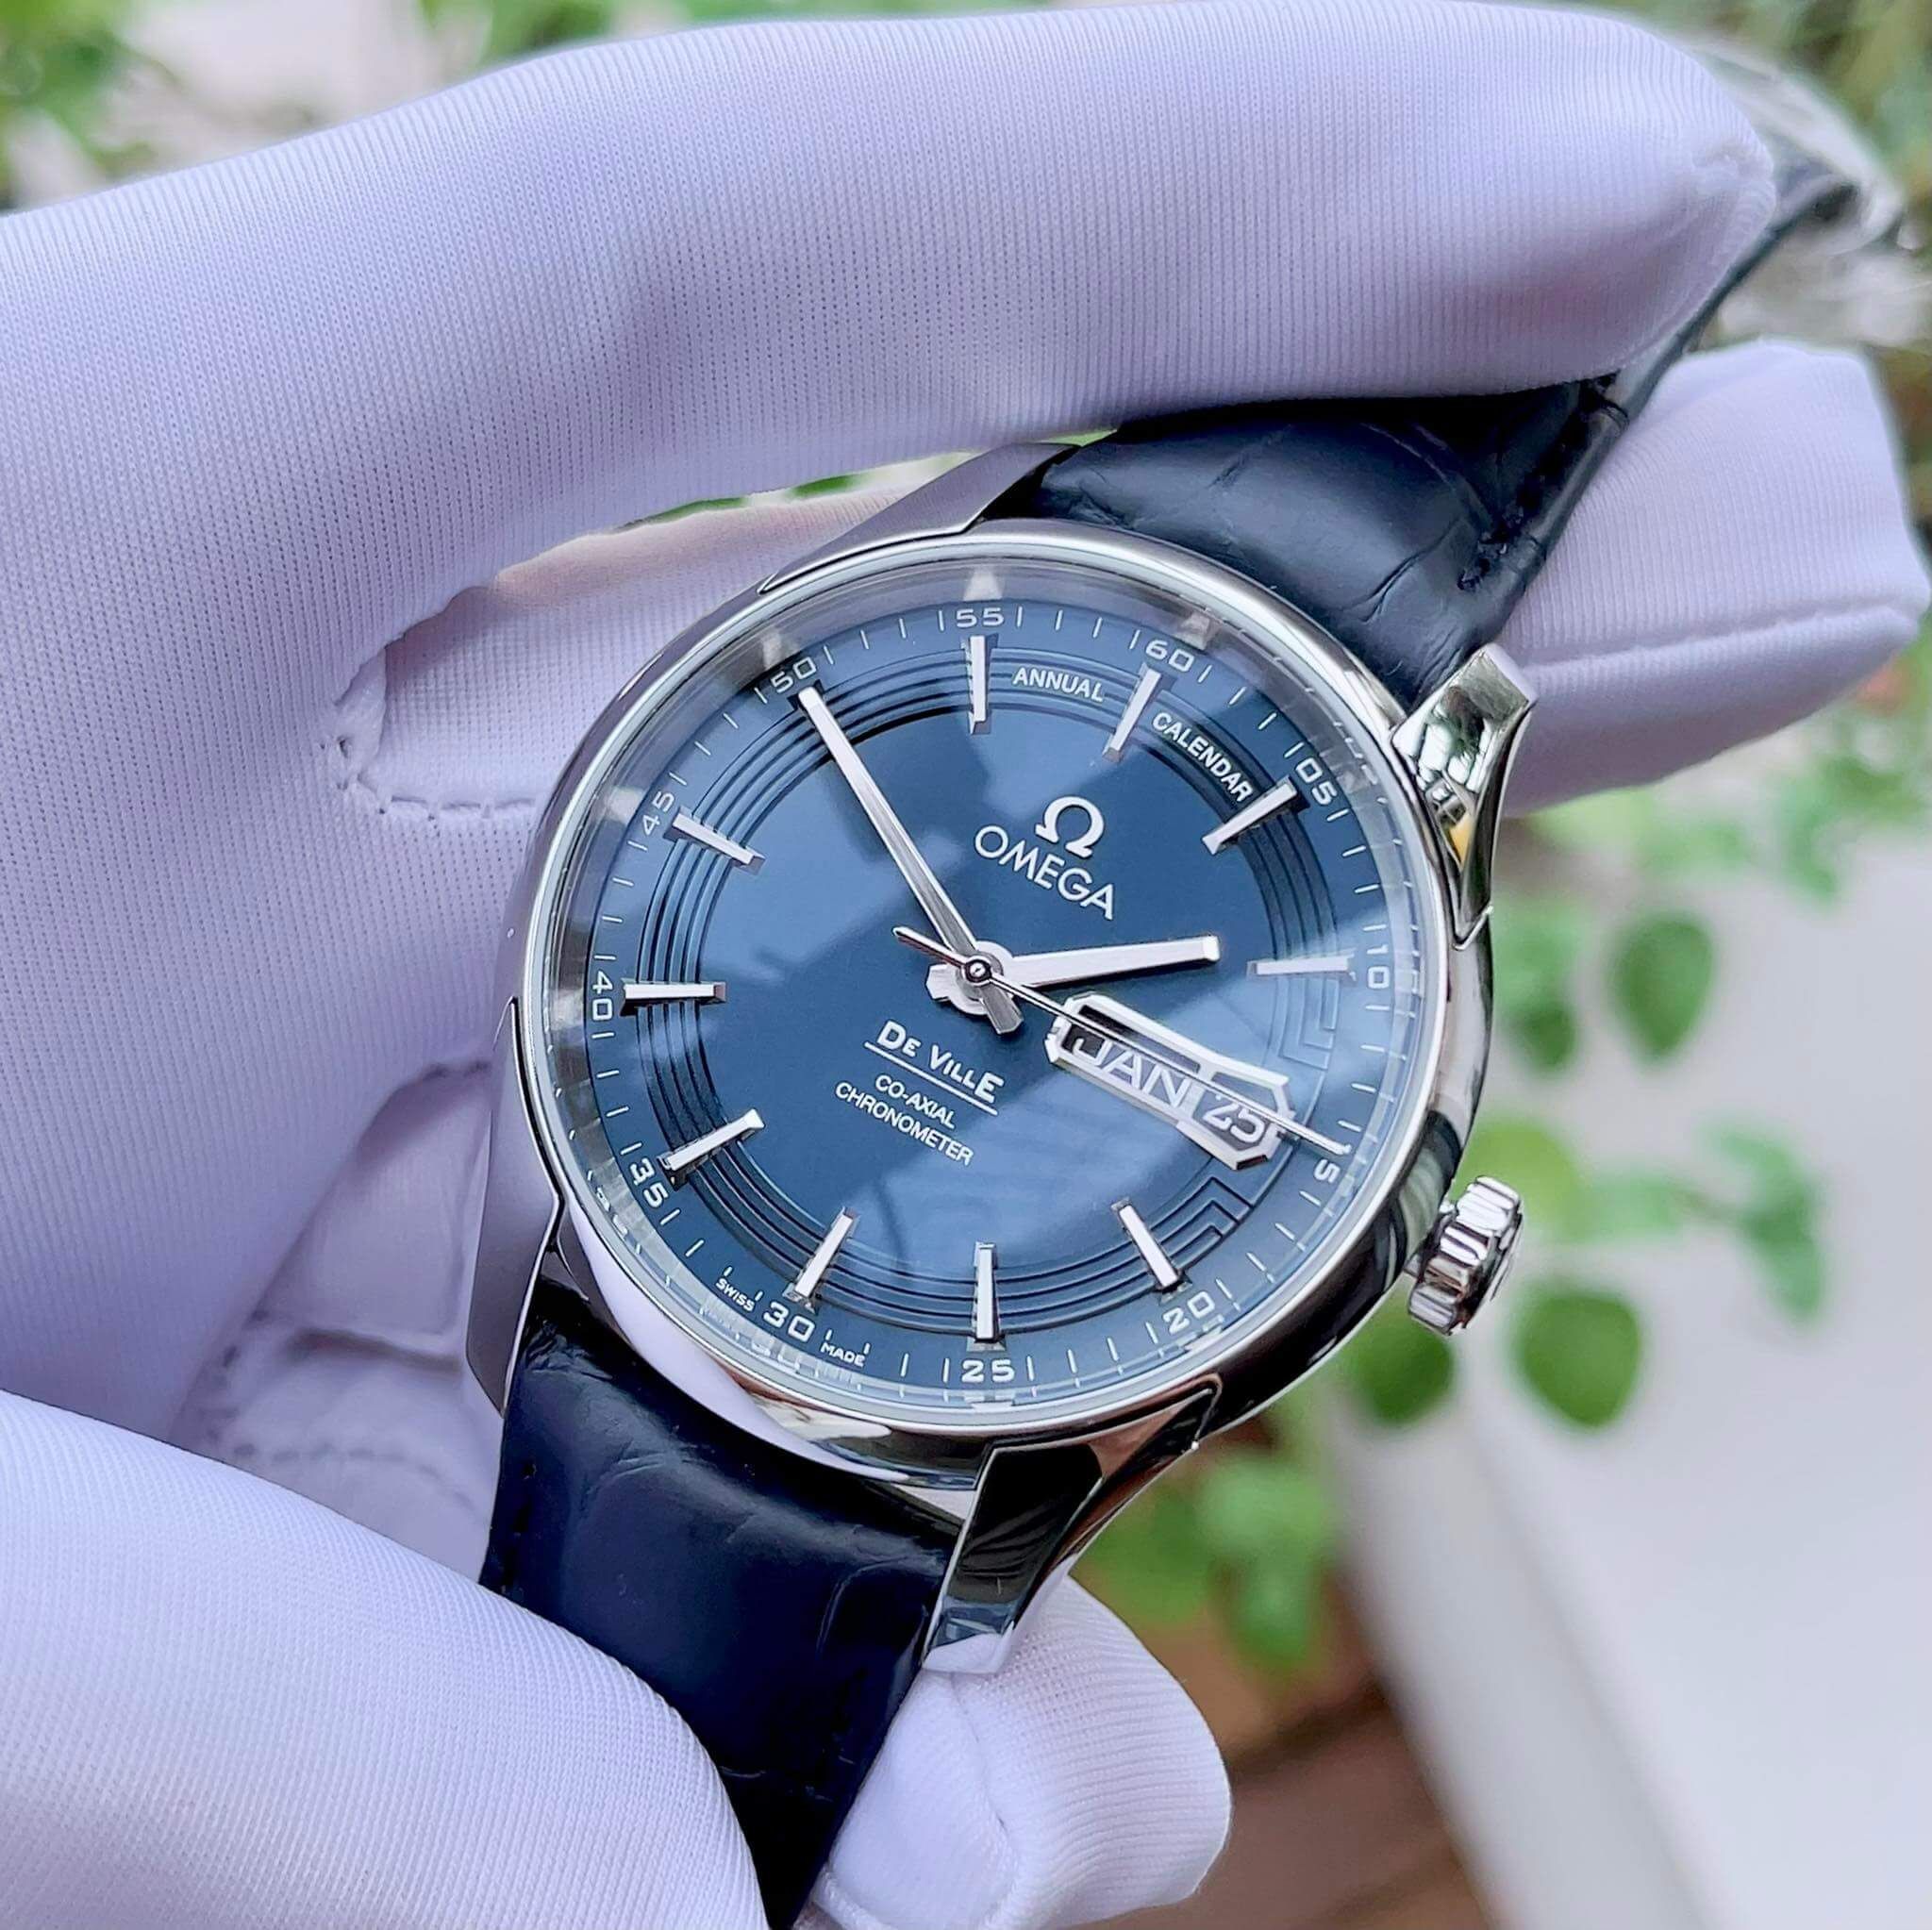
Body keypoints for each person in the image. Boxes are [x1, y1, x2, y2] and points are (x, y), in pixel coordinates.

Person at [0, 3, 1924, 1925]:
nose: (985, 981)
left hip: (888, 1348)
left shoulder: (1348, 956)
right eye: (972, 957)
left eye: (1009, 985)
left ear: (1426, 1229)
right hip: (638, 1238)